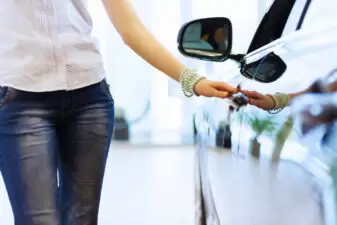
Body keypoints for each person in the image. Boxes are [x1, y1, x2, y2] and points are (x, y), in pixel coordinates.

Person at [0, 1, 237, 224]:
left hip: (89, 98)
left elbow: (130, 29)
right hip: (22, 98)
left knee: (81, 219)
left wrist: (191, 80)